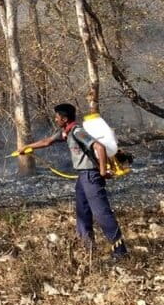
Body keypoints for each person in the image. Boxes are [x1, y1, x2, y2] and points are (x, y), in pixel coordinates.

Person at [18, 104, 128, 259]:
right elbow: (47, 141)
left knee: (101, 213)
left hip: (91, 176)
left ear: (64, 119)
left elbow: (100, 147)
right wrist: (27, 147)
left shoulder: (77, 132)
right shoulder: (66, 132)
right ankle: (88, 249)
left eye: (57, 117)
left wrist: (103, 171)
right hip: (83, 177)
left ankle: (120, 252)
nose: (55, 119)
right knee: (82, 212)